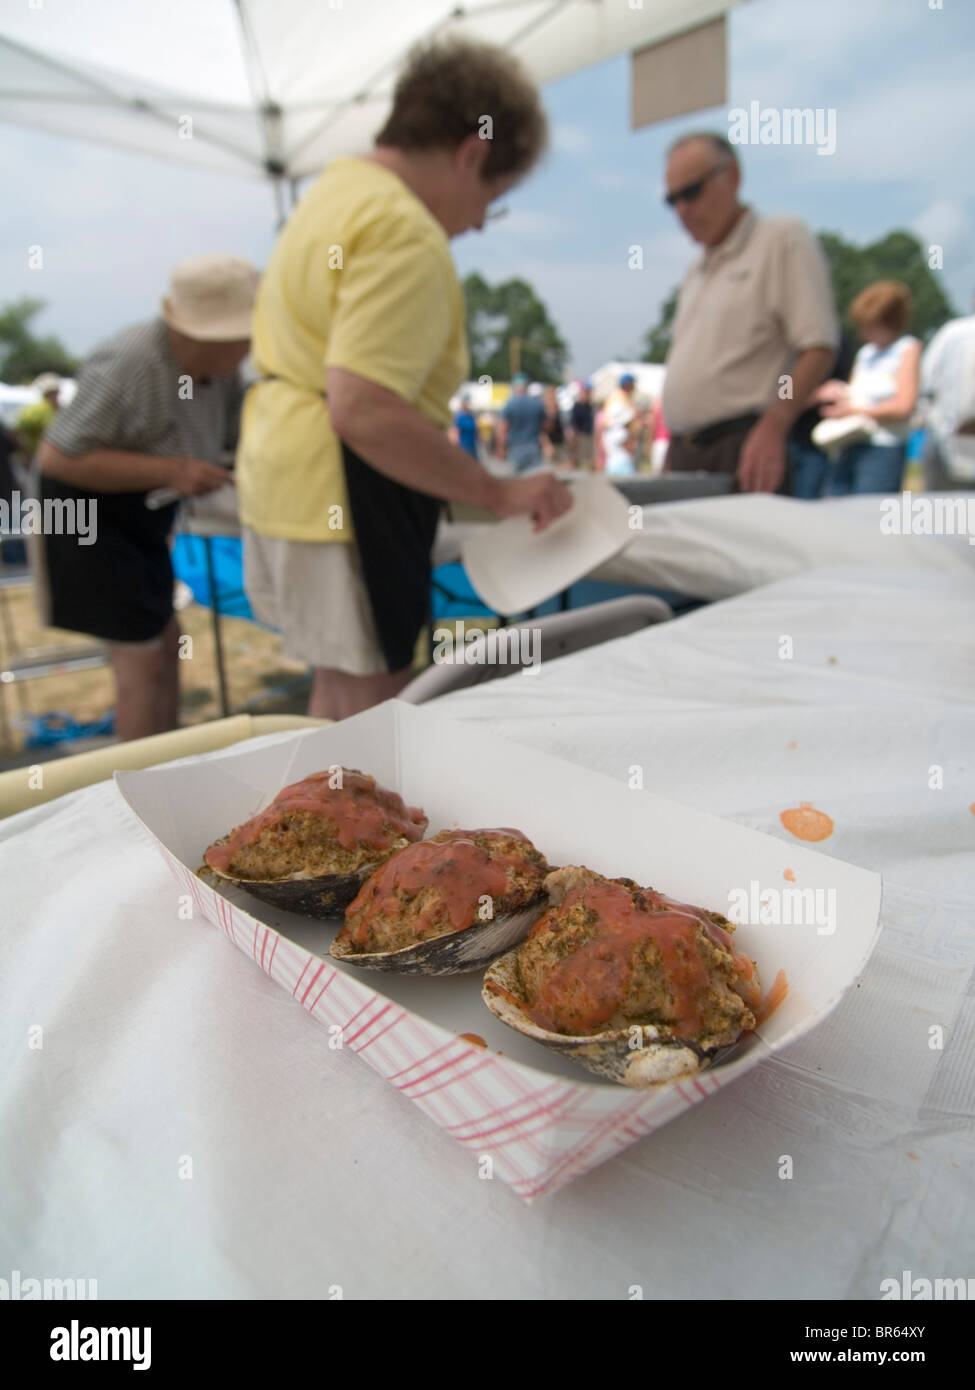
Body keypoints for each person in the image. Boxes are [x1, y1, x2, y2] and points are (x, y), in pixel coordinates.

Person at [237, 40, 570, 722]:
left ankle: (326, 821)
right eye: (492, 199)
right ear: (471, 154)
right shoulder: (401, 228)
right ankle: (359, 828)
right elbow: (364, 408)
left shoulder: (334, 194)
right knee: (375, 712)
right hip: (344, 486)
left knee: (340, 697)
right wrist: (496, 490)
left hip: (289, 477)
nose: (477, 223)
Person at [35, 255, 255, 741]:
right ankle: (136, 785)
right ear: (204, 333)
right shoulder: (131, 361)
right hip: (88, 516)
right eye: (243, 334)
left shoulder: (225, 371)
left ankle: (165, 760)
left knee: (167, 643)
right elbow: (58, 458)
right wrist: (173, 471)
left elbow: (233, 439)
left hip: (144, 514)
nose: (250, 346)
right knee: (140, 658)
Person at [661, 132, 838, 491]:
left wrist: (776, 420)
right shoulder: (696, 270)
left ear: (733, 177)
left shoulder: (780, 239)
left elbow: (817, 347)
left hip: (743, 450)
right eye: (672, 199)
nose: (682, 209)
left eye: (691, 192)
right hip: (687, 453)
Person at [816, 282, 921, 496]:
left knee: (869, 515)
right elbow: (855, 395)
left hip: (883, 448)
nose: (864, 333)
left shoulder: (907, 348)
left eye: (870, 326)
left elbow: (904, 406)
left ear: (888, 322)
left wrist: (857, 412)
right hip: (850, 442)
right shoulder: (866, 353)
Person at [787, 330, 856, 498]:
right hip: (786, 439)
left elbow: (846, 387)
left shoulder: (838, 342)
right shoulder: (786, 343)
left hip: (821, 442)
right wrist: (816, 395)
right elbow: (781, 395)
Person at [918, 302, 975, 490]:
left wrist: (929, 418)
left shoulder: (952, 333)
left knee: (943, 510)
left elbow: (925, 380)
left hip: (947, 435)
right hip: (952, 434)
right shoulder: (954, 333)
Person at [496, 372, 546, 473]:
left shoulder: (509, 405)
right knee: (533, 482)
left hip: (515, 449)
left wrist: (500, 449)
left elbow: (502, 430)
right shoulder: (537, 404)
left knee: (517, 484)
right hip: (534, 448)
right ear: (526, 386)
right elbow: (545, 427)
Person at [601, 373, 643, 477]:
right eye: (633, 384)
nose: (634, 387)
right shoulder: (619, 399)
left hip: (614, 460)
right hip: (622, 463)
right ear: (628, 385)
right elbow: (625, 420)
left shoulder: (617, 397)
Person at [16, 373, 61, 460]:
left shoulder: (57, 409)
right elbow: (18, 432)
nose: (56, 395)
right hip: (36, 456)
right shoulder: (36, 410)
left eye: (56, 392)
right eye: (54, 392)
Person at [567, 380, 594, 468]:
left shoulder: (589, 406)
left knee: (589, 458)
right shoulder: (577, 406)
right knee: (582, 458)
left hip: (589, 434)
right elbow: (574, 423)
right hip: (580, 435)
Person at [541, 385, 566, 465]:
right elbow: (541, 431)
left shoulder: (557, 411)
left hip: (559, 443)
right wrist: (546, 444)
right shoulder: (543, 412)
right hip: (548, 445)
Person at [450, 394, 479, 458]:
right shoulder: (459, 416)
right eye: (466, 402)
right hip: (463, 447)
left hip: (473, 447)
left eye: (469, 402)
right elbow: (455, 432)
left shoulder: (472, 416)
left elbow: (476, 431)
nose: (468, 404)